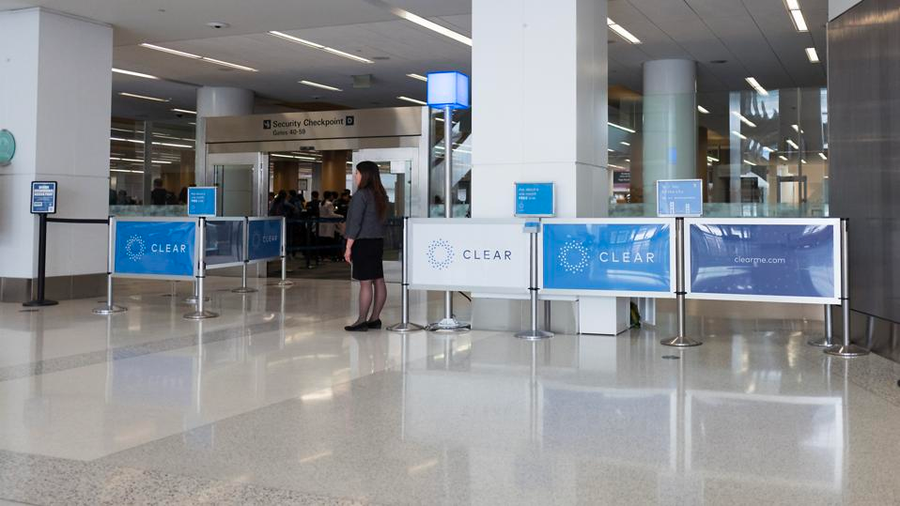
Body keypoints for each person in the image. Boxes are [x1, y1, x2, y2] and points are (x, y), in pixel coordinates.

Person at [343, 161, 389, 332]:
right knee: (378, 280)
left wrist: (348, 247)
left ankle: (361, 320)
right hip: (377, 242)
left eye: (357, 173)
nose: (355, 176)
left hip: (363, 243)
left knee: (365, 283)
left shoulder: (361, 195)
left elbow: (354, 224)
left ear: (365, 175)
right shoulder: (381, 196)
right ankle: (375, 318)